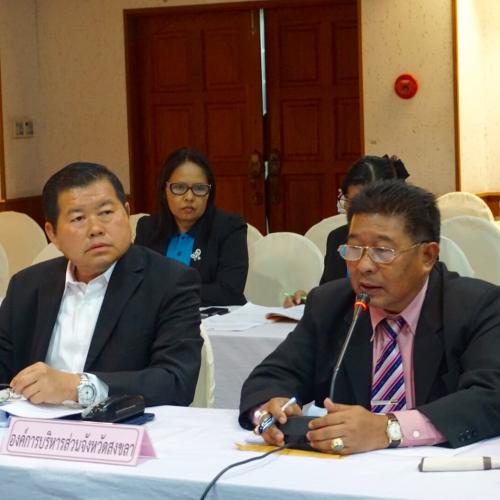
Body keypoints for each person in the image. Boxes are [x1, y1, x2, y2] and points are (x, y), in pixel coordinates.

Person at [240, 180, 500, 454]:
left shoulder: (477, 306)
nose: (363, 266)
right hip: (347, 470)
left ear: (427, 255)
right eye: (354, 249)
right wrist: (268, 410)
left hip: (441, 470)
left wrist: (389, 428)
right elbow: (271, 376)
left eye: (382, 252)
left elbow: (491, 396)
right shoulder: (330, 304)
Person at [0, 162, 202, 408]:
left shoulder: (169, 282)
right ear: (52, 234)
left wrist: (77, 387)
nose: (95, 229)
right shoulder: (27, 286)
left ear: (126, 213)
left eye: (106, 213)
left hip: (121, 427)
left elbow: (175, 381)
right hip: (32, 427)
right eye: (78, 218)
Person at [284, 155, 409, 307]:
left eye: (366, 203)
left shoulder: (407, 242)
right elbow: (330, 294)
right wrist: (308, 301)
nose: (357, 211)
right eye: (351, 201)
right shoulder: (337, 238)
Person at [135, 147, 248, 306]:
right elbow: (135, 283)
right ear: (165, 190)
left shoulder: (229, 227)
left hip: (214, 319)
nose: (189, 197)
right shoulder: (148, 228)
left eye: (199, 188)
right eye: (179, 188)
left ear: (209, 193)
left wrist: (168, 292)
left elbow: (229, 291)